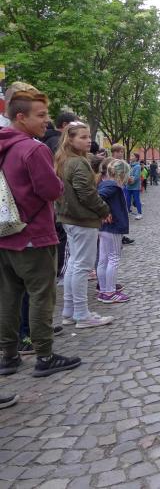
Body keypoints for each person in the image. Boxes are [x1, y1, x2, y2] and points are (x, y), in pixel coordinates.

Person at [0, 89, 81, 377]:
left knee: (8, 297)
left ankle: (9, 355)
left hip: (5, 233)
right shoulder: (33, 149)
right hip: (34, 234)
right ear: (21, 117)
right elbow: (51, 190)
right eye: (41, 115)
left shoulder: (4, 146)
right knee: (41, 296)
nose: (47, 121)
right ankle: (44, 356)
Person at [55, 122, 114, 329]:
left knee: (74, 264)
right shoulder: (77, 162)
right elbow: (87, 194)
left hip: (70, 219)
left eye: (89, 136)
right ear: (70, 139)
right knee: (81, 266)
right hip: (82, 220)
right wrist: (104, 210)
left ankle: (70, 311)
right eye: (83, 137)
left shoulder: (64, 160)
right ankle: (81, 314)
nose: (89, 140)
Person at [97, 158, 132, 304]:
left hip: (104, 228)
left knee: (103, 259)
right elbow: (98, 198)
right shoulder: (113, 186)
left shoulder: (105, 183)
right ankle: (110, 292)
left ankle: (104, 289)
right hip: (113, 227)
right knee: (113, 258)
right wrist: (105, 212)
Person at [126, 153, 143, 220]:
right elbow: (126, 174)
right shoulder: (129, 165)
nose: (131, 157)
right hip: (128, 186)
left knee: (136, 200)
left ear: (136, 158)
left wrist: (130, 179)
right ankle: (128, 211)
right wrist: (127, 178)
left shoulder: (138, 166)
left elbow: (136, 176)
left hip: (135, 187)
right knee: (127, 199)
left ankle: (139, 213)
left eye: (132, 156)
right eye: (131, 156)